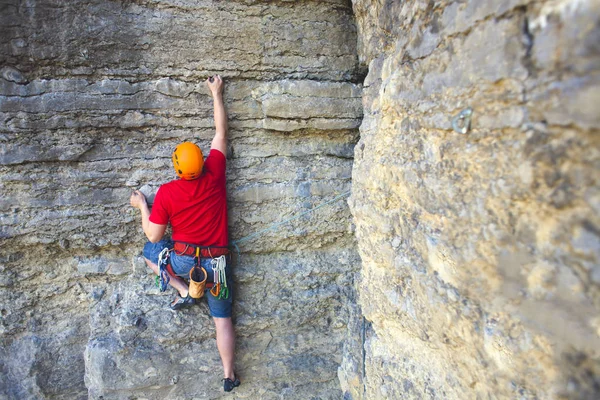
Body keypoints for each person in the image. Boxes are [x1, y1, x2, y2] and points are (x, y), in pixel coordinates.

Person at [129, 75, 240, 392]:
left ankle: (181, 288)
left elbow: (152, 237)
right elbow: (221, 132)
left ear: (178, 169)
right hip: (217, 266)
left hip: (181, 261)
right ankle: (229, 375)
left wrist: (141, 206)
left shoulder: (166, 193)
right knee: (223, 320)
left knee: (150, 253)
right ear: (203, 163)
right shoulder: (215, 174)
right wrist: (216, 93)